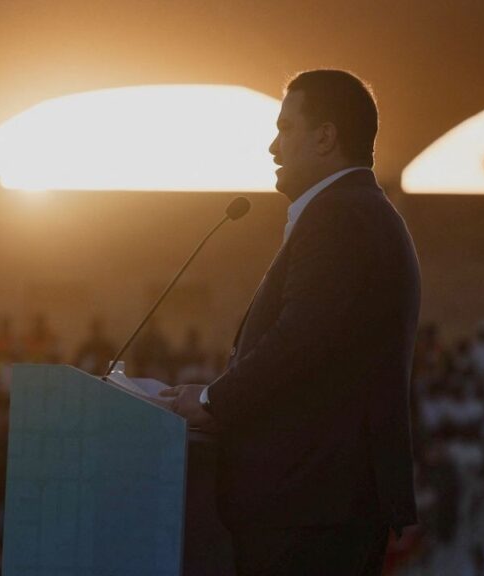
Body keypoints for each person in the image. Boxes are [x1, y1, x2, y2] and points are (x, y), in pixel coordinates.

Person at [159, 69, 421, 576]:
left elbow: (300, 337)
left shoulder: (340, 216)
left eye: (285, 129)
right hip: (320, 501)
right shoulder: (358, 210)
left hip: (310, 503)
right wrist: (214, 392)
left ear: (325, 136)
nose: (274, 148)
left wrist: (214, 401)